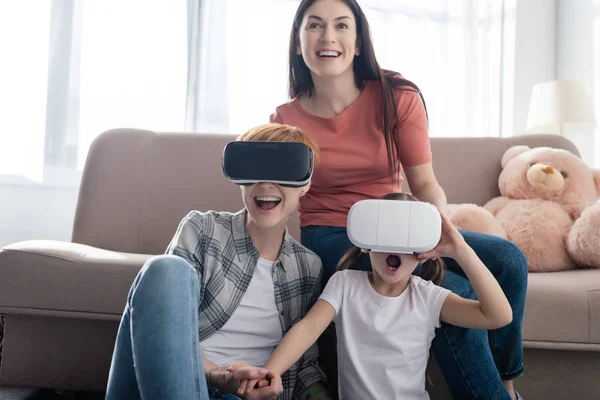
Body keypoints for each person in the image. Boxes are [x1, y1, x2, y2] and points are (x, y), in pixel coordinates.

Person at [269, 1, 528, 399]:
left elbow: (424, 184)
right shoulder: (286, 120)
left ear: (358, 43)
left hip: (400, 221)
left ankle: (506, 381)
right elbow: (279, 201)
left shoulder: (397, 96)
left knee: (510, 260)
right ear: (297, 42)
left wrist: (439, 229)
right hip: (332, 231)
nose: (328, 37)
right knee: (460, 292)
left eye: (341, 25)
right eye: (314, 26)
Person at [105, 123, 331, 400]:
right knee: (165, 269)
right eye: (255, 170)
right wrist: (221, 377)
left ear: (305, 184)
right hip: (187, 384)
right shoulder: (201, 230)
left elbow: (305, 362)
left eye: (284, 171)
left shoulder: (309, 266)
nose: (266, 184)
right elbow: (166, 332)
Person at [238, 193, 513, 399]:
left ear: (423, 253)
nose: (395, 248)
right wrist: (270, 371)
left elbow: (498, 316)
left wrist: (460, 250)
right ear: (367, 245)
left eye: (407, 242)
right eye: (386, 236)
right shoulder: (345, 284)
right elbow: (307, 329)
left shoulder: (428, 298)